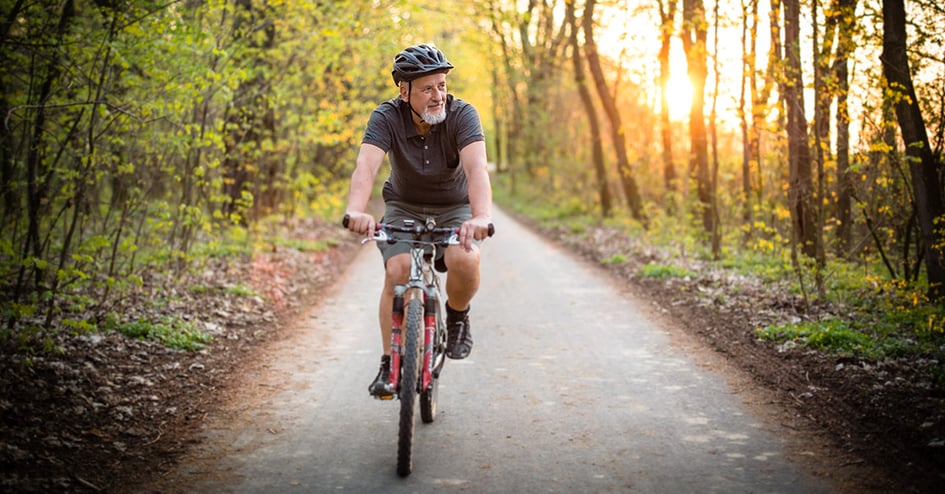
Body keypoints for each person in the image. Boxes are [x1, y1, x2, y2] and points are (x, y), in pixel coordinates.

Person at [343, 44, 493, 398]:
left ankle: (456, 315)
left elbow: (477, 169)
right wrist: (356, 210)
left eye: (441, 85)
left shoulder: (462, 115)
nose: (438, 95)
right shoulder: (386, 117)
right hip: (404, 207)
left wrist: (482, 216)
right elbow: (366, 166)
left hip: (454, 207)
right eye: (428, 88)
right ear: (404, 91)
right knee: (396, 272)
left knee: (465, 259)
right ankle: (388, 362)